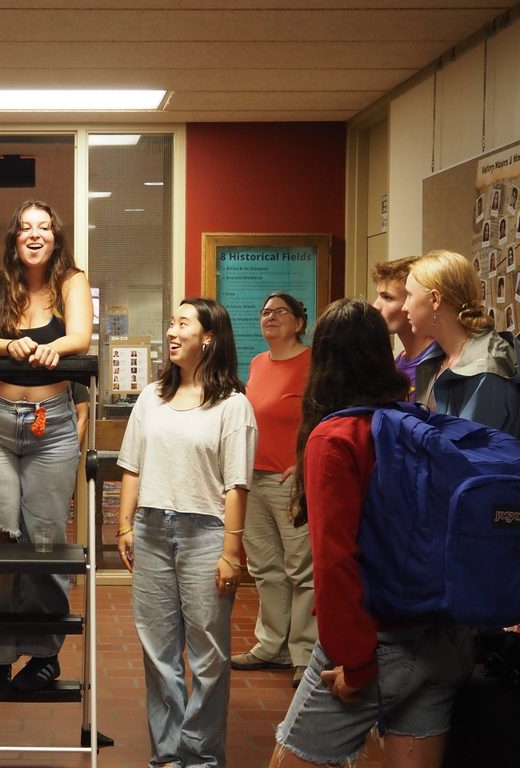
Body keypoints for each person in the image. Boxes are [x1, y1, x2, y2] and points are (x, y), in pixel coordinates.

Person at [269, 298, 472, 768]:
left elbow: (337, 564)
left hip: (375, 645)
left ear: (322, 359)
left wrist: (357, 668)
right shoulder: (415, 421)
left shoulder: (335, 438)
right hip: (444, 637)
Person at [116, 298, 257, 768]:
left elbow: (237, 484)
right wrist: (125, 525)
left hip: (206, 535)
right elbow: (132, 466)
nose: (172, 331)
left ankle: (199, 757)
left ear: (209, 337)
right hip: (152, 530)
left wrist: (231, 553)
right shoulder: (151, 395)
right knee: (159, 657)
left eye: (183, 323)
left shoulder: (233, 405)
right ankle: (167, 756)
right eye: (171, 322)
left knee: (209, 659)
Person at [0, 199, 93, 694]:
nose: (34, 235)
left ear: (56, 237)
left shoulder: (71, 281)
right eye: (25, 228)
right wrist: (10, 345)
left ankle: (43, 654)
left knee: (44, 540)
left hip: (51, 424)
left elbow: (79, 337)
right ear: (13, 237)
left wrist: (51, 348)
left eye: (44, 228)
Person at [231, 292, 315, 688]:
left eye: (279, 312)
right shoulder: (258, 362)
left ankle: (304, 652)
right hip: (253, 477)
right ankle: (272, 646)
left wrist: (305, 461)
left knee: (303, 569)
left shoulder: (314, 362)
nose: (270, 317)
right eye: (264, 312)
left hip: (291, 480)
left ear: (299, 322)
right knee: (265, 569)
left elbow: (325, 416)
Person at [404, 249, 520, 437]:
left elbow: (469, 457)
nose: (405, 306)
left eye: (409, 295)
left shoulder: (486, 370)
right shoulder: (436, 357)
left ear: (435, 299)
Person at [371, 256, 436, 401]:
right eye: (379, 296)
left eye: (387, 297)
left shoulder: (437, 363)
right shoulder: (400, 360)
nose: (376, 306)